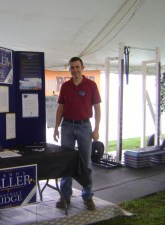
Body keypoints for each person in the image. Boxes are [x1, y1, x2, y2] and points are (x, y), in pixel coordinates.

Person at [53, 56, 101, 211]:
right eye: (72, 67)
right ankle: (65, 196)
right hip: (67, 126)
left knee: (85, 162)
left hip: (84, 127)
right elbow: (60, 108)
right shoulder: (65, 86)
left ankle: (88, 197)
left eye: (77, 67)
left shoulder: (91, 85)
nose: (75, 70)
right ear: (69, 69)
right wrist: (56, 127)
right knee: (66, 162)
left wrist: (96, 129)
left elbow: (97, 108)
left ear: (83, 68)